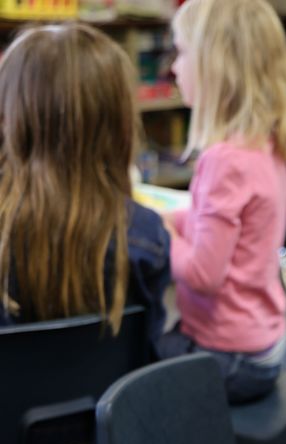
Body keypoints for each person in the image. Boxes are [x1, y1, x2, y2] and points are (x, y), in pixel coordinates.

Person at [159, 0, 286, 403]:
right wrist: (176, 218)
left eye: (182, 52)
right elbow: (225, 226)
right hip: (264, 344)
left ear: (216, 67)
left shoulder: (223, 160)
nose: (174, 67)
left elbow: (203, 274)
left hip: (229, 358)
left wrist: (164, 232)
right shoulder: (263, 144)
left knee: (133, 361)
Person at [0, 24, 170, 349]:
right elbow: (148, 348)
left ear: (10, 116)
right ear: (119, 121)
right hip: (114, 384)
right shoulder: (146, 234)